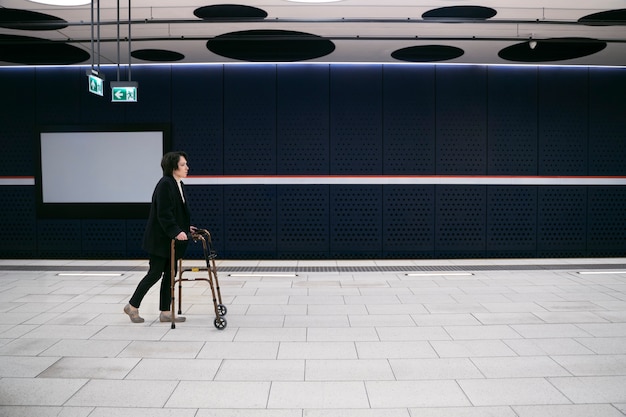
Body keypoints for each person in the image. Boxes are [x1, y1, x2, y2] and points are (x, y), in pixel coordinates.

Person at [124, 151, 196, 323]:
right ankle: (132, 306)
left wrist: (185, 229)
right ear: (173, 167)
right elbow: (163, 214)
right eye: (183, 164)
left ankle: (165, 312)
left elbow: (176, 213)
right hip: (160, 239)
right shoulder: (165, 184)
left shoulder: (178, 184)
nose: (187, 167)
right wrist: (176, 231)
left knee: (170, 274)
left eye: (186, 164)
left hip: (169, 239)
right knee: (155, 273)